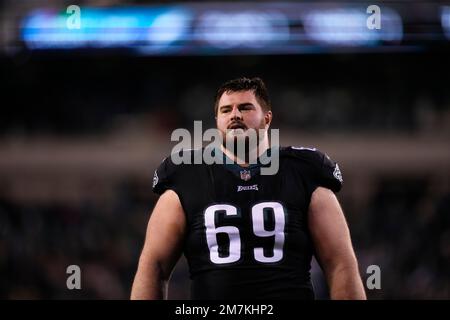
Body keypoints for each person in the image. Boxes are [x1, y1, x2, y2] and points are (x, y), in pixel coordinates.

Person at [130, 77, 366, 300]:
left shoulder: (305, 170)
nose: (235, 115)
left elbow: (340, 263)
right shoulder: (185, 174)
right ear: (217, 121)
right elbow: (154, 265)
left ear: (267, 118)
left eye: (245, 107)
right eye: (226, 110)